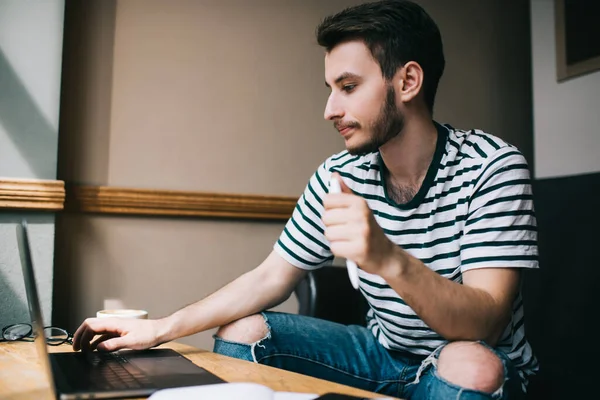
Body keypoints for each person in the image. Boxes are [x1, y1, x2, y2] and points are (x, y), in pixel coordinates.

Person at [72, 1, 538, 398]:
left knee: (472, 365)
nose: (330, 109)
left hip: (471, 362)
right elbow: (272, 276)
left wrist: (386, 258)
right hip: (380, 355)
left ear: (408, 82)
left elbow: (487, 322)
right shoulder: (339, 173)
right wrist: (163, 328)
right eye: (331, 89)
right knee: (243, 331)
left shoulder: (492, 165)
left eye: (349, 87)